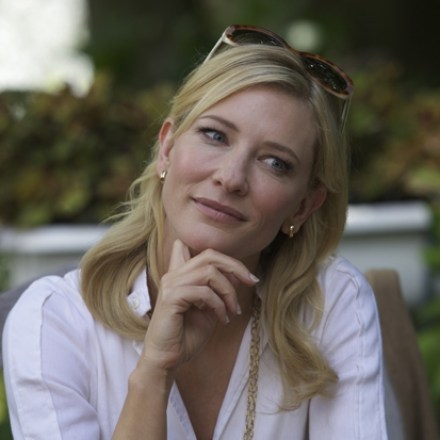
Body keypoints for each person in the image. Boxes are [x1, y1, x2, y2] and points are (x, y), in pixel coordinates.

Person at [2, 25, 390, 439]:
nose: (231, 178)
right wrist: (154, 370)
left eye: (275, 163)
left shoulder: (331, 302)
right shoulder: (53, 320)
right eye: (215, 135)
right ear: (167, 148)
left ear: (304, 205)